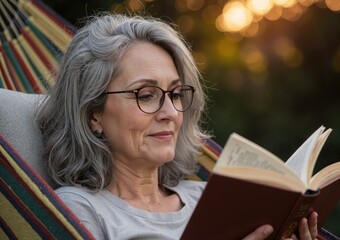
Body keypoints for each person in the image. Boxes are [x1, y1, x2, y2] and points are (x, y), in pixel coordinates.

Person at [36, 13, 318, 240]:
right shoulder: (80, 211)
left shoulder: (208, 198)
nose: (170, 112)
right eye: (145, 95)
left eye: (174, 94)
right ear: (93, 114)